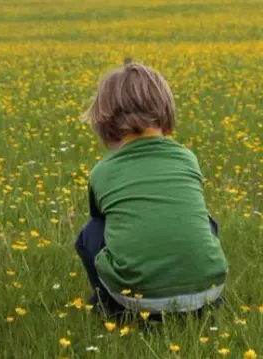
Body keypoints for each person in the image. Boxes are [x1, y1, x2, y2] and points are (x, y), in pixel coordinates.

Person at [75, 59, 228, 320]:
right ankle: (199, 300)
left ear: (106, 124)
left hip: (136, 298)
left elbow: (100, 219)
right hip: (210, 290)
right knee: (205, 221)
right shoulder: (187, 158)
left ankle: (109, 304)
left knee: (91, 233)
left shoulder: (102, 171)